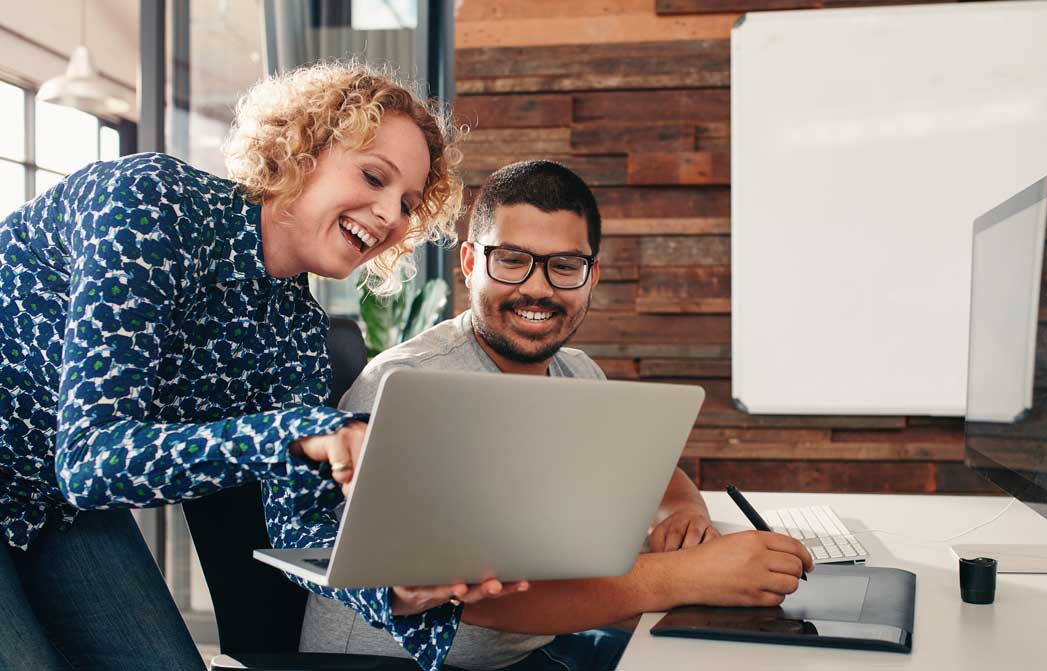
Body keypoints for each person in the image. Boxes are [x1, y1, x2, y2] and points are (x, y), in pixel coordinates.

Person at [0, 62, 515, 671]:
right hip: (63, 477)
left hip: (53, 504)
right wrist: (293, 434)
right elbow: (91, 460)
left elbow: (296, 526)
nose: (388, 215)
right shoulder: (151, 203)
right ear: (298, 151)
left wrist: (393, 590)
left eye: (406, 204)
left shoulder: (297, 333)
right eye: (374, 177)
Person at [298, 160, 814, 671]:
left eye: (564, 266)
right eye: (512, 259)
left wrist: (683, 516)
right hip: (399, 664)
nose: (539, 289)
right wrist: (686, 576)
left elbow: (646, 469)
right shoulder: (410, 386)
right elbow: (486, 600)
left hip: (530, 653)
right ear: (470, 264)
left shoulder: (577, 373)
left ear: (592, 277)